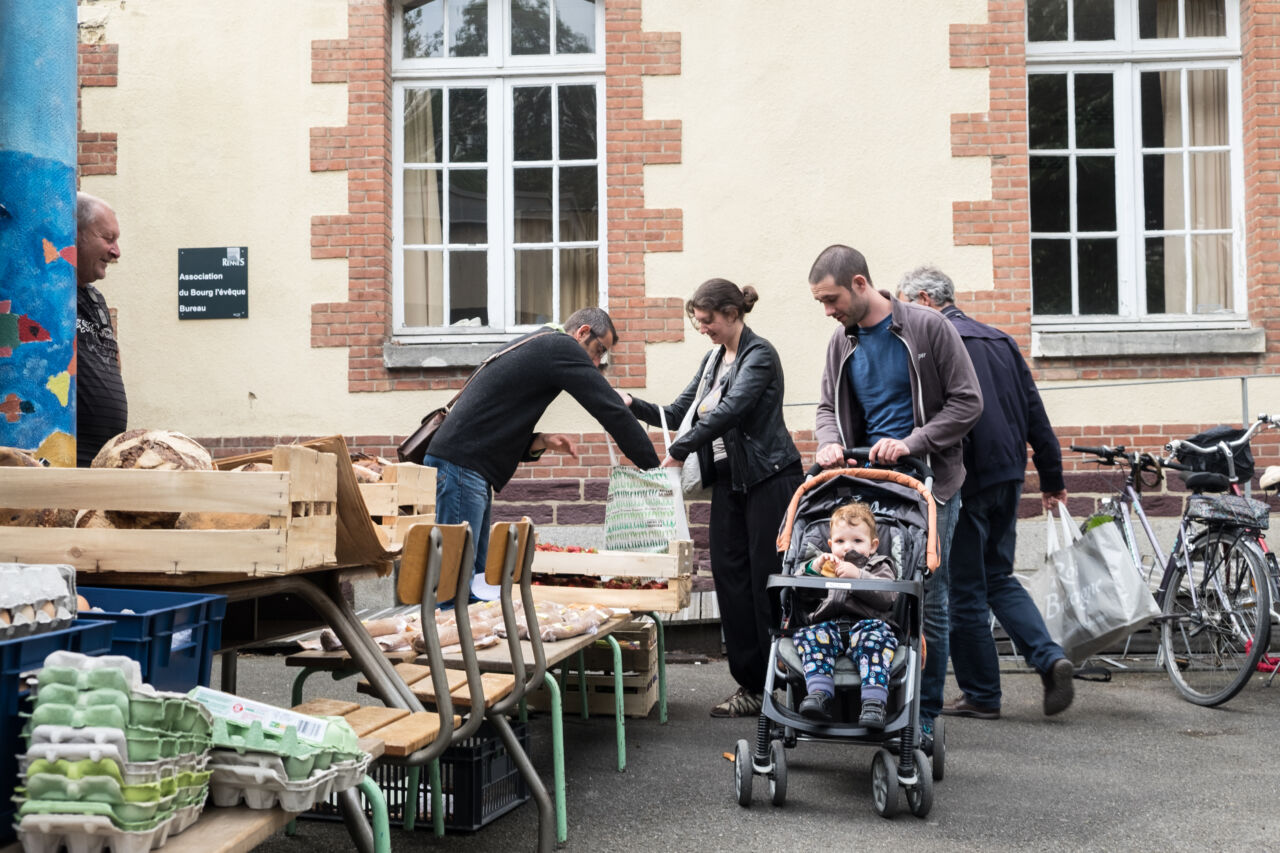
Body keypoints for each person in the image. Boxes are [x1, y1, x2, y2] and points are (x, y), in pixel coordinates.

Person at [807, 244, 982, 751]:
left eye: (832, 299)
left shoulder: (928, 327)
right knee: (864, 584)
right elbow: (825, 407)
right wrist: (828, 442)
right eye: (821, 302)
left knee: (927, 597)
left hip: (930, 483)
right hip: (866, 485)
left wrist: (913, 442)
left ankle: (923, 714)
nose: (828, 311)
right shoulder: (842, 340)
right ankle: (868, 696)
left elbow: (968, 403)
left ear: (860, 283)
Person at [897, 265, 1075, 718]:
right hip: (1008, 476)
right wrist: (1052, 479)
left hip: (965, 480)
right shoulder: (1000, 340)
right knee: (998, 577)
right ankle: (1049, 657)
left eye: (906, 303)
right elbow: (1035, 413)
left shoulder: (933, 341)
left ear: (924, 299)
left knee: (963, 590)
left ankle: (980, 694)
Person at [620, 279, 802, 717]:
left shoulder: (760, 355)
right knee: (731, 583)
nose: (702, 329)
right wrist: (630, 403)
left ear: (732, 314)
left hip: (770, 480)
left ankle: (790, 681)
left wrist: (679, 452)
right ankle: (752, 687)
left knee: (768, 584)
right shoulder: (713, 360)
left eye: (707, 321)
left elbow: (730, 411)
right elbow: (678, 413)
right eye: (698, 322)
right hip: (730, 484)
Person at [423, 306, 660, 601]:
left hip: (466, 465)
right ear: (583, 332)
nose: (598, 362)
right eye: (599, 350)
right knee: (458, 583)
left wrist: (541, 441)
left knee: (477, 582)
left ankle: (464, 629)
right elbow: (611, 409)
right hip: (462, 465)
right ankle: (446, 631)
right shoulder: (561, 346)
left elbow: (496, 417)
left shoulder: (541, 342)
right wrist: (654, 469)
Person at [793, 502, 899, 728]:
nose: (847, 547)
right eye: (840, 541)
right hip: (829, 625)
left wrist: (859, 576)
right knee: (809, 636)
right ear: (830, 544)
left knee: (878, 642)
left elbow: (888, 596)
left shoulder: (880, 565)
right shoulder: (826, 566)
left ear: (873, 545)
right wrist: (813, 568)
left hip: (868, 625)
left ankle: (873, 703)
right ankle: (819, 695)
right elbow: (800, 594)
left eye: (857, 541)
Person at [75, 192, 126, 468]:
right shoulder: (45, 297)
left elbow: (113, 363)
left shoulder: (96, 300)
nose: (116, 252)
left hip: (102, 462)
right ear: (75, 233)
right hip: (63, 462)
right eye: (108, 238)